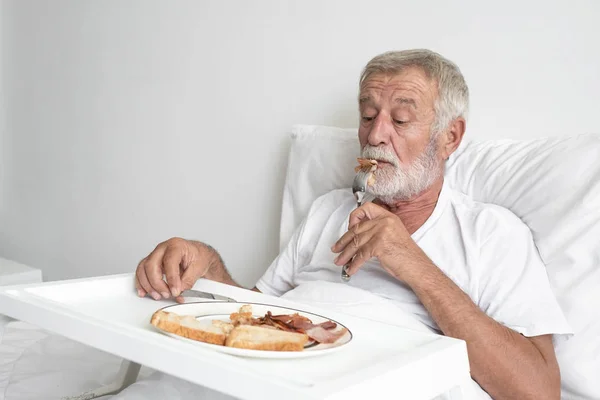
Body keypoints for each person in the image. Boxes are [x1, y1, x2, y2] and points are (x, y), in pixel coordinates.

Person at [135, 49, 571, 399]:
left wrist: (409, 260)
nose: (376, 134)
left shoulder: (491, 233)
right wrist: (209, 266)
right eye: (367, 116)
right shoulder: (328, 210)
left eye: (400, 119)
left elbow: (537, 391)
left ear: (449, 137)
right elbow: (252, 319)